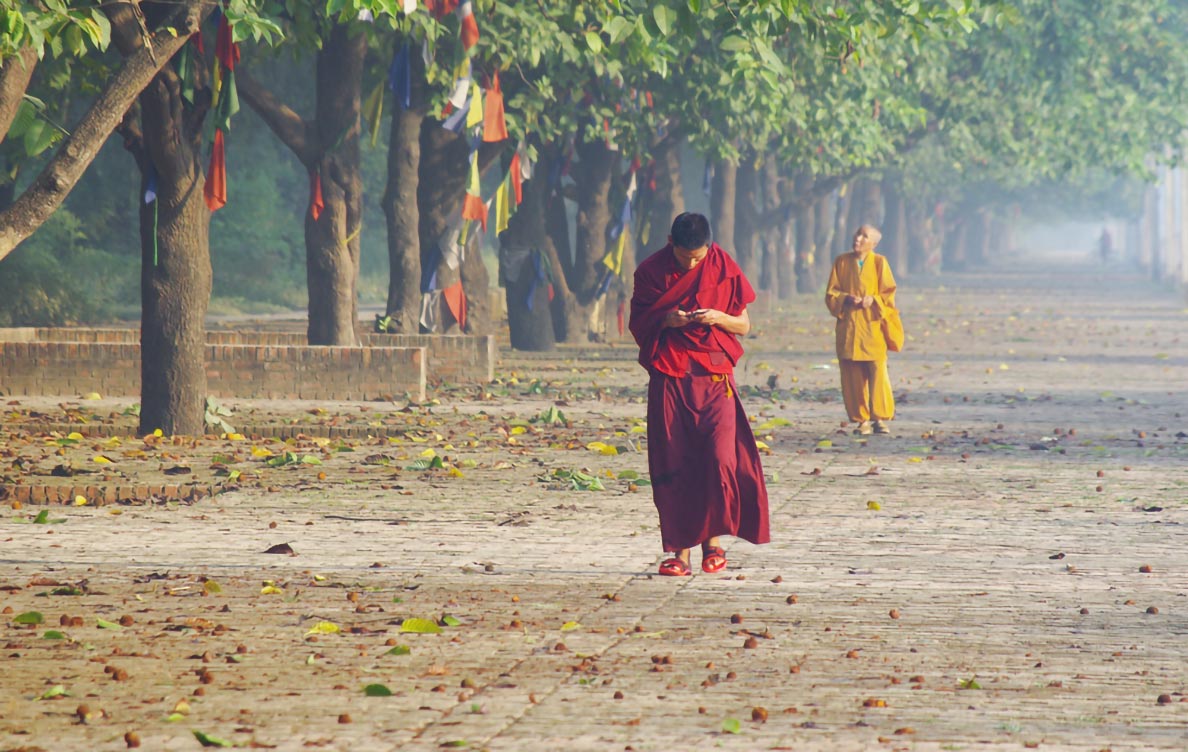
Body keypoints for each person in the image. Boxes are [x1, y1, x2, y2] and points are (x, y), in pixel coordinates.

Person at [629, 212, 770, 577]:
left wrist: (717, 318)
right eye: (686, 256)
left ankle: (714, 542)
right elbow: (640, 323)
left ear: (710, 246)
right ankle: (680, 553)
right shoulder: (650, 272)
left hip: (713, 376)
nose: (694, 262)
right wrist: (667, 320)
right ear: (670, 242)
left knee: (720, 457)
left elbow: (743, 324)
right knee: (675, 459)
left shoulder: (722, 266)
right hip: (671, 374)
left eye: (699, 256)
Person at [825, 224, 898, 436]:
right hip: (849, 326)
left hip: (872, 327)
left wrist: (873, 300)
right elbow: (831, 293)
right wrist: (845, 298)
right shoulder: (841, 261)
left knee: (878, 372)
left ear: (873, 243)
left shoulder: (879, 263)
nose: (858, 238)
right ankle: (861, 419)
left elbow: (889, 294)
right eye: (857, 233)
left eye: (864, 236)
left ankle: (880, 417)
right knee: (851, 375)